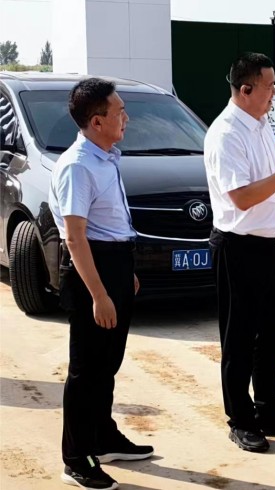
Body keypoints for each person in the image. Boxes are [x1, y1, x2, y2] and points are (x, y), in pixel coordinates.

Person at [204, 52, 275, 453]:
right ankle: (241, 418)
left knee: (272, 335)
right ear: (246, 89)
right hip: (240, 249)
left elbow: (267, 175)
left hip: (272, 246)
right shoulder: (226, 134)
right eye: (269, 87)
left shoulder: (260, 124)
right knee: (239, 340)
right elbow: (242, 197)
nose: (274, 95)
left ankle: (269, 407)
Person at [49, 78, 153, 490]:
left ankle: (102, 437)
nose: (127, 118)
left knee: (106, 366)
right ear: (96, 121)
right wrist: (99, 293)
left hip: (113, 265)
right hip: (91, 273)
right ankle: (76, 458)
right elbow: (76, 237)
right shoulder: (78, 166)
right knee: (86, 372)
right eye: (119, 112)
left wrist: (123, 273)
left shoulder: (105, 157)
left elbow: (108, 224)